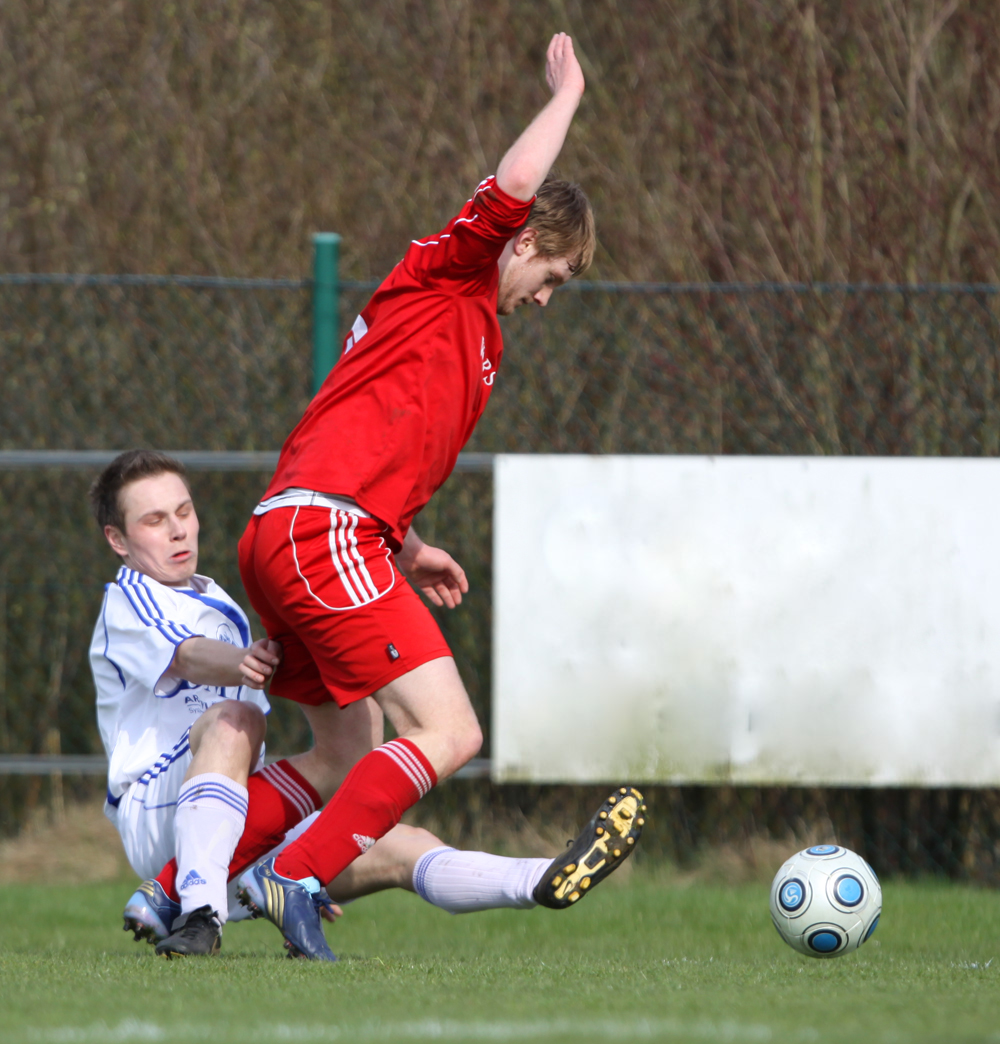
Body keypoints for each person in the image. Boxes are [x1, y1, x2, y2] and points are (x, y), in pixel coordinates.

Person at [233, 32, 632, 962]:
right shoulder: (456, 268)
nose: (545, 299)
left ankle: (177, 892)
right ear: (527, 240)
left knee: (343, 749)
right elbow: (519, 179)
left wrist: (410, 545)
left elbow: (375, 434)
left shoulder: (466, 330)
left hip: (300, 527)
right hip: (324, 533)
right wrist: (570, 91)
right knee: (448, 729)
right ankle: (293, 875)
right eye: (554, 278)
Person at [91, 450, 645, 958]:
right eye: (154, 521)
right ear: (119, 540)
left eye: (183, 511)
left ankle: (541, 879)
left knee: (402, 848)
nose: (177, 530)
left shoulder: (217, 597)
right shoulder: (130, 596)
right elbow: (186, 656)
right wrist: (241, 660)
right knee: (236, 720)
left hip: (227, 823)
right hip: (159, 807)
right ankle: (196, 913)